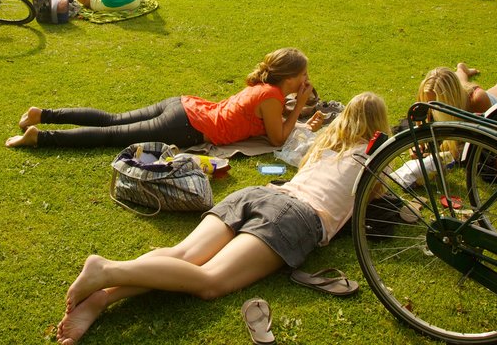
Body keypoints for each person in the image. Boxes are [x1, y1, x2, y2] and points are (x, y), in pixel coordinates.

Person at [53, 91, 390, 345]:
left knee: (181, 255)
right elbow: (385, 192)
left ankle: (102, 296)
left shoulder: (322, 145)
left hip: (260, 193)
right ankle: (106, 270)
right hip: (295, 216)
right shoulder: (373, 159)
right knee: (211, 281)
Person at [7, 48, 315, 149]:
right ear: (289, 78)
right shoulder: (273, 96)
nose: (305, 80)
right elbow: (278, 139)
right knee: (112, 135)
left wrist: (295, 107)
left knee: (113, 120)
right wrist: (299, 105)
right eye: (303, 75)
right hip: (188, 125)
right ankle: (41, 138)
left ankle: (42, 113)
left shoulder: (265, 88)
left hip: (182, 105)